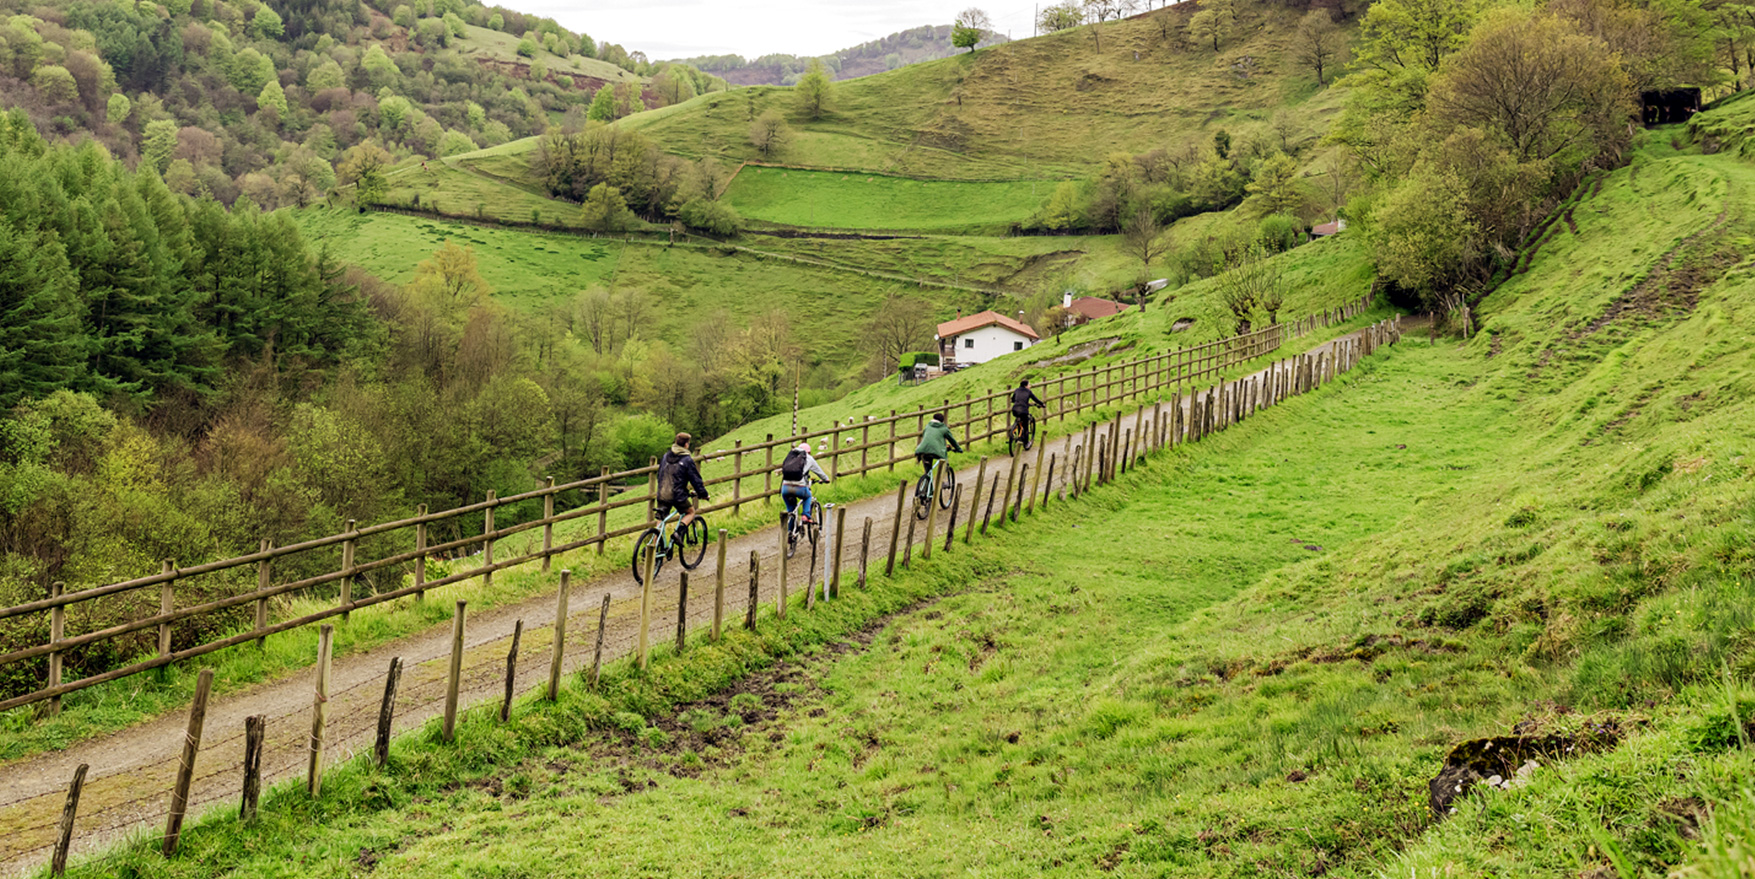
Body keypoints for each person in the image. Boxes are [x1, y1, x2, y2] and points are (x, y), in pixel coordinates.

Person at [655, 432, 708, 545]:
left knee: (660, 520)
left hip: (662, 493)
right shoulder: (687, 460)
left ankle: (652, 547)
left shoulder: (666, 456)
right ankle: (678, 533)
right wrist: (703, 494)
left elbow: (659, 474)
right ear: (686, 445)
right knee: (690, 512)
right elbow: (695, 480)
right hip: (677, 496)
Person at [778, 442, 829, 526]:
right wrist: (826, 479)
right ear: (808, 452)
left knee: (791, 511)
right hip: (800, 487)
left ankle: (789, 535)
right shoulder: (809, 458)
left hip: (785, 487)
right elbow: (819, 472)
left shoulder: (791, 457)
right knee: (807, 496)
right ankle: (805, 515)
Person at [913, 411, 963, 477]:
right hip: (936, 451)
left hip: (921, 450)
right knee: (943, 461)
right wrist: (959, 449)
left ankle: (928, 484)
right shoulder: (944, 428)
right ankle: (941, 481)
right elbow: (952, 440)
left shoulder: (927, 426)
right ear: (942, 421)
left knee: (928, 472)